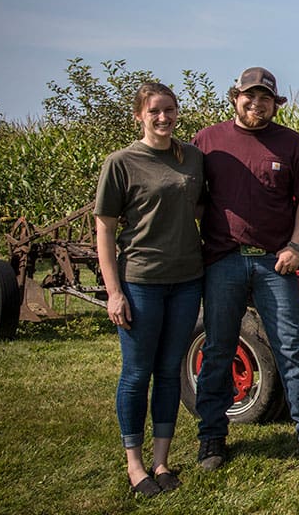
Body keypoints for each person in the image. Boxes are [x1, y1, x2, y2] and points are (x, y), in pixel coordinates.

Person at [192, 67, 299, 473]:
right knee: (218, 348)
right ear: (235, 97)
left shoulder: (290, 143)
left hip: (275, 262)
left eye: (265, 98)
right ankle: (212, 440)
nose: (257, 104)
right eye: (250, 97)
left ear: (275, 103)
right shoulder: (208, 141)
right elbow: (192, 197)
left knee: (292, 348)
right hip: (224, 260)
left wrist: (295, 246)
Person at [94, 82, 205, 498]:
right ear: (140, 115)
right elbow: (104, 230)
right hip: (141, 281)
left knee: (169, 372)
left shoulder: (191, 157)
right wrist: (114, 292)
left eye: (170, 110)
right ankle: (134, 464)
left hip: (187, 279)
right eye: (155, 111)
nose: (164, 118)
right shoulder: (121, 162)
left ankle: (161, 461)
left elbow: (200, 206)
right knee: (137, 374)